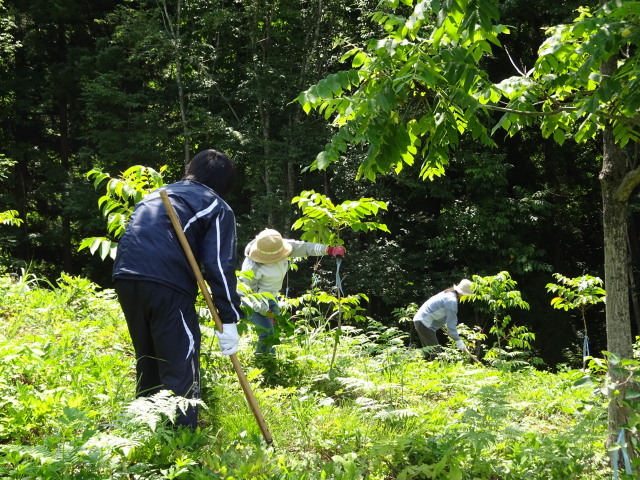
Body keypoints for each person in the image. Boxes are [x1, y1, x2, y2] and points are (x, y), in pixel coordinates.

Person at [112, 149, 243, 429]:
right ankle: (182, 441)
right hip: (167, 281)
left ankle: (146, 430)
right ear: (225, 183)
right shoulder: (216, 206)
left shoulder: (159, 194)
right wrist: (229, 318)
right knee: (179, 360)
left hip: (125, 276)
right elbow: (219, 265)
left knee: (148, 357)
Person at [240, 228, 345, 354]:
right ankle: (261, 363)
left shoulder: (276, 244)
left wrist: (328, 249)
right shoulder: (252, 267)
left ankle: (270, 365)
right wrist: (265, 311)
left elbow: (304, 247)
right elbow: (249, 293)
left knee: (275, 333)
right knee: (268, 332)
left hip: (272, 297)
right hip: (252, 302)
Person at [413, 279, 473, 357]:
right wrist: (458, 341)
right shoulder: (451, 301)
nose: (467, 298)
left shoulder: (447, 293)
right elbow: (451, 325)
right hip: (424, 323)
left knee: (429, 353)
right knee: (436, 355)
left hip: (421, 321)